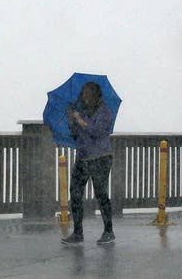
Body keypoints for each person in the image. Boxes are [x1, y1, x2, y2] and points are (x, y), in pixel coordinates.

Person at [61, 81, 115, 245]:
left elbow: (96, 131)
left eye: (89, 94)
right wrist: (72, 120)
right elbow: (76, 135)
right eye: (83, 94)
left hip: (100, 157)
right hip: (83, 157)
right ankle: (78, 232)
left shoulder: (104, 111)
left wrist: (80, 120)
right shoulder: (82, 112)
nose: (85, 97)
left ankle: (108, 230)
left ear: (96, 95)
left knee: (101, 194)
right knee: (75, 193)